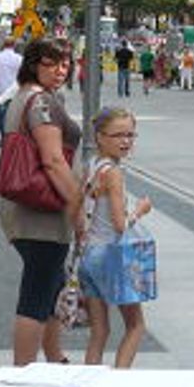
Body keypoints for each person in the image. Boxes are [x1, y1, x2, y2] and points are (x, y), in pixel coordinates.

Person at [0, 37, 84, 365]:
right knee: (37, 291)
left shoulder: (24, 97)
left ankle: (54, 356)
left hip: (28, 209)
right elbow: (52, 160)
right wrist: (77, 205)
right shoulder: (41, 103)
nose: (60, 70)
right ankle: (23, 370)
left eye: (65, 63)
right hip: (40, 213)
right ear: (34, 64)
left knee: (51, 284)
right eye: (51, 63)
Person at [78, 106, 154, 367]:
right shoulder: (114, 173)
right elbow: (121, 225)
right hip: (113, 256)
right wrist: (139, 211)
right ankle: (118, 379)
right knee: (136, 326)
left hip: (89, 255)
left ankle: (90, 386)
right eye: (118, 135)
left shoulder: (92, 165)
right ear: (99, 136)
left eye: (131, 135)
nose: (126, 141)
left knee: (99, 331)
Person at [0, 37, 22, 140]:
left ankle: (3, 137)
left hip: (0, 91)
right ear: (14, 45)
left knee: (2, 116)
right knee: (14, 116)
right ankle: (10, 136)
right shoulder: (19, 58)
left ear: (3, 45)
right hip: (16, 93)